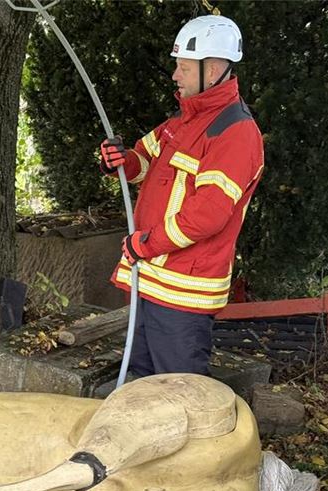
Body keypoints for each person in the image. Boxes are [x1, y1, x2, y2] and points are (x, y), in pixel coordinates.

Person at [99, 15, 264, 377]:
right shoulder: (183, 121)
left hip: (182, 294)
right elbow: (143, 161)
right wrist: (121, 161)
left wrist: (147, 244)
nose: (176, 75)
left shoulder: (235, 134)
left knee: (179, 393)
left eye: (184, 68)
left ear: (215, 69)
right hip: (152, 281)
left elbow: (208, 216)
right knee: (139, 383)